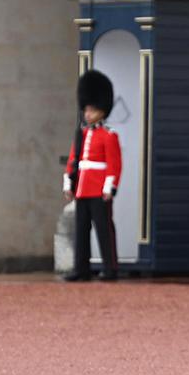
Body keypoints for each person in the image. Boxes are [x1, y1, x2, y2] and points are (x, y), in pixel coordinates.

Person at [62, 69, 121, 282]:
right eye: (86, 109)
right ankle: (81, 268)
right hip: (82, 189)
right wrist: (69, 182)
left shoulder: (109, 136)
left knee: (104, 230)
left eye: (92, 110)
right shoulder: (83, 134)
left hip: (98, 190)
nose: (87, 114)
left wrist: (109, 188)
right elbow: (73, 159)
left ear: (102, 111)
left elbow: (114, 165)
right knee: (81, 231)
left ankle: (110, 268)